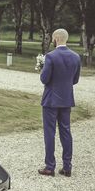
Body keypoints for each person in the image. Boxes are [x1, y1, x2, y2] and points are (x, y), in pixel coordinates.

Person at [38, 28, 81, 177]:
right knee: (66, 132)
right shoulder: (76, 57)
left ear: (56, 39)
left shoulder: (50, 56)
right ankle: (67, 167)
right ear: (66, 39)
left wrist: (42, 69)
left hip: (50, 100)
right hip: (67, 99)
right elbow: (75, 80)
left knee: (50, 133)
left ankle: (50, 167)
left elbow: (44, 79)